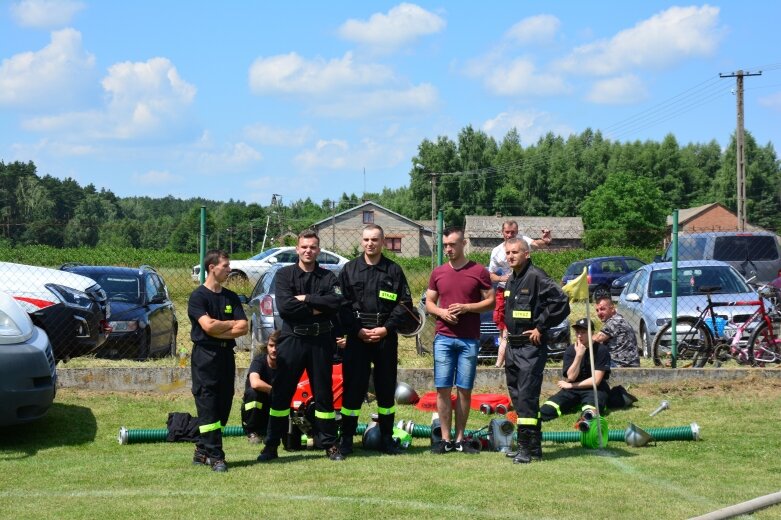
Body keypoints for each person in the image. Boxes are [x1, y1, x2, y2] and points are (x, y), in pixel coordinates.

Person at [257, 230, 346, 462]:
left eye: (313, 247)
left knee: (324, 395)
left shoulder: (328, 277)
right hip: (292, 339)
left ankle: (329, 444)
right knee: (281, 394)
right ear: (297, 249)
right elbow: (286, 308)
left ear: (318, 250)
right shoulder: (285, 275)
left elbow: (335, 302)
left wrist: (305, 299)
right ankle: (271, 445)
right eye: (304, 246)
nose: (308, 250)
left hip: (320, 341)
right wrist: (319, 306)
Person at [337, 224, 414, 456]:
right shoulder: (349, 270)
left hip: (384, 338)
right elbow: (341, 305)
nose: (370, 243)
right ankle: (347, 440)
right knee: (352, 389)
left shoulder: (394, 271)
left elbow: (404, 305)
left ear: (383, 242)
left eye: (375, 240)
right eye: (366, 239)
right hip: (357, 337)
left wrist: (386, 329)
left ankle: (386, 439)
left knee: (385, 389)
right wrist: (357, 330)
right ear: (362, 242)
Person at [426, 227, 495, 455]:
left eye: (452, 244)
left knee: (465, 390)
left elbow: (491, 302)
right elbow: (429, 304)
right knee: (443, 389)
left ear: (463, 243)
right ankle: (445, 439)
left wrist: (466, 307)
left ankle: (460, 439)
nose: (448, 249)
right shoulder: (438, 272)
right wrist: (442, 313)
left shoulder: (479, 271)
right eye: (445, 245)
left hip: (469, 340)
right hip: (443, 338)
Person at [503, 237, 569, 464]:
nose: (511, 256)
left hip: (530, 349)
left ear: (527, 254)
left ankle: (526, 449)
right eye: (508, 253)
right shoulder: (512, 279)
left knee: (528, 397)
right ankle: (532, 446)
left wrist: (541, 326)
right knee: (518, 396)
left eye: (515, 252)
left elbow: (561, 302)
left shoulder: (536, 276)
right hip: (513, 347)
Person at [188, 249, 248, 473]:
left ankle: (202, 449)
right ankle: (217, 456)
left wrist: (219, 328)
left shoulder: (231, 297)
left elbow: (243, 327)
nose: (229, 270)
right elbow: (207, 327)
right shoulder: (198, 297)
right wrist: (227, 325)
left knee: (223, 405)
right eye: (225, 266)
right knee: (208, 404)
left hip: (226, 356)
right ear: (212, 268)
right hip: (205, 356)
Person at [488, 220, 552, 368]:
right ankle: (502, 360)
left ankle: (508, 359)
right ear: (502, 233)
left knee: (518, 323)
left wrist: (546, 240)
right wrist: (502, 278)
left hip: (524, 288)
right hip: (504, 289)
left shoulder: (523, 241)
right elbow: (490, 275)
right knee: (503, 326)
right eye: (507, 232)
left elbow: (537, 244)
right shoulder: (496, 251)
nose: (510, 235)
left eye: (513, 232)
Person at [538, 318, 611, 427]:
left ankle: (584, 425)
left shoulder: (601, 350)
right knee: (549, 407)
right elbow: (571, 377)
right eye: (577, 332)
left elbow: (595, 381)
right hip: (572, 389)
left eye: (583, 332)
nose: (579, 336)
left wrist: (571, 385)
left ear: (592, 333)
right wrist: (579, 355)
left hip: (595, 389)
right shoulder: (571, 350)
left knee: (590, 411)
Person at [241, 330, 280, 444]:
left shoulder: (287, 363)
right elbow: (255, 383)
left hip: (278, 406)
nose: (274, 350)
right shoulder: (259, 361)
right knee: (253, 393)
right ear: (266, 346)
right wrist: (275, 391)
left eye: (277, 346)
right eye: (271, 346)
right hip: (260, 407)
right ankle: (252, 432)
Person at [592, 295, 640, 367]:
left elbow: (595, 339)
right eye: (597, 310)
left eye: (602, 309)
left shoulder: (614, 322)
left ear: (612, 309)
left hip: (621, 365)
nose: (599, 313)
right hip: (629, 363)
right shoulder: (618, 319)